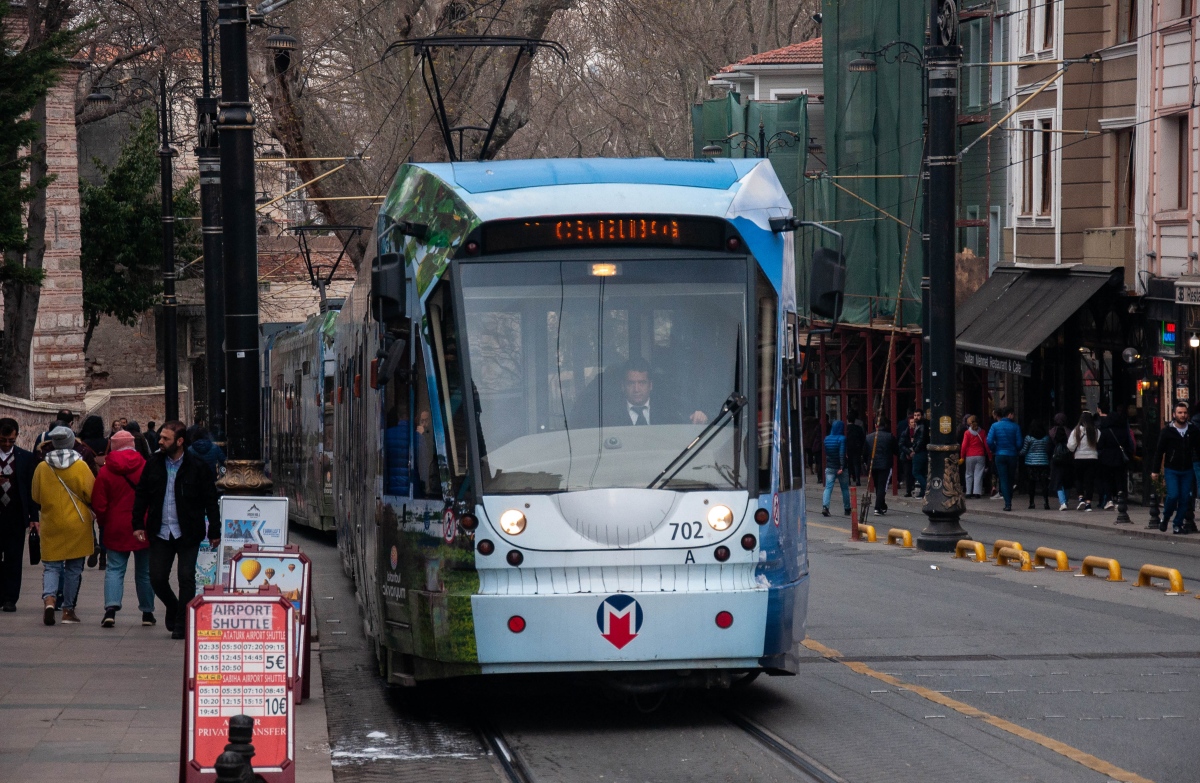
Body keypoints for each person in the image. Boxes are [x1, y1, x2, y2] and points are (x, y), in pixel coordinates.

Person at [131, 421, 221, 639]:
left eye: (166, 438)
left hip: (188, 531)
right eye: (160, 437)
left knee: (186, 577)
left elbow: (211, 499)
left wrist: (215, 531)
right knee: (157, 578)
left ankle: (182, 623)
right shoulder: (153, 463)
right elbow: (142, 495)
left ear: (180, 442)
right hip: (161, 530)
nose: (160, 442)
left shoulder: (197, 466)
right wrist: (137, 524)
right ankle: (173, 606)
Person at [30, 427, 95, 625]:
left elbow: (36, 496)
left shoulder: (42, 467)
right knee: (74, 568)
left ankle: (49, 600)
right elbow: (91, 493)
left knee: (51, 566)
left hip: (52, 521)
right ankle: (68, 610)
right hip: (77, 522)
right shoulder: (80, 466)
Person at [92, 430, 155, 628]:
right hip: (142, 525)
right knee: (144, 572)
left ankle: (111, 609)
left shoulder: (105, 470)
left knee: (114, 569)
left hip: (115, 525)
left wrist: (103, 522)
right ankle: (147, 612)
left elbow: (99, 503)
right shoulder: (145, 466)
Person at [596, 359, 708, 427]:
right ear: (622, 386)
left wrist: (699, 419)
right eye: (631, 383)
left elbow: (686, 433)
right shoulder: (607, 417)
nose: (636, 389)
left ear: (650, 385)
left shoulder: (669, 411)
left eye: (642, 383)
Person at [0, 419, 38, 612]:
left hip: (15, 515)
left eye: (11, 441)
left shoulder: (25, 458)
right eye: (3, 440)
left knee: (14, 559)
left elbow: (31, 490)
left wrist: (34, 517)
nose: (7, 444)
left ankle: (10, 598)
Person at [1153, 403, 1197, 535]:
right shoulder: (1167, 432)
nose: (1183, 415)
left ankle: (1177, 524)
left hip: (1187, 469)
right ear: (1174, 415)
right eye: (1180, 413)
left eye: (1184, 413)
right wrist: (1155, 470)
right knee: (1173, 495)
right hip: (1171, 469)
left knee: (1184, 498)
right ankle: (1165, 517)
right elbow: (1159, 451)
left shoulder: (1192, 430)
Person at [987, 406, 1022, 511]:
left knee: (1003, 479)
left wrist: (994, 449)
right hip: (1012, 455)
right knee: (1011, 478)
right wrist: (1015, 449)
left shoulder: (994, 426)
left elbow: (989, 441)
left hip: (1000, 454)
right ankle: (1009, 498)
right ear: (1009, 414)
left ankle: (1008, 503)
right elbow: (1019, 443)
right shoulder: (1015, 427)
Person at [1096, 412, 1132, 510]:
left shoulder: (1105, 431)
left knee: (1107, 479)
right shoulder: (1124, 431)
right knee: (1119, 479)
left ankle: (1109, 500)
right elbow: (1128, 444)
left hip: (1106, 458)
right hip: (1120, 458)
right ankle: (1120, 499)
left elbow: (1099, 445)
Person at [864, 417, 898, 516]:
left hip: (873, 465)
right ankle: (877, 507)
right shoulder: (889, 436)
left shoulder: (868, 437)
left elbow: (865, 453)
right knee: (882, 486)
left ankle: (881, 505)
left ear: (875, 425)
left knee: (877, 485)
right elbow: (896, 450)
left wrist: (866, 463)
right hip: (885, 465)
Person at [1067, 411, 1100, 511]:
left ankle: (1081, 497)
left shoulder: (1076, 431)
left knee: (1079, 479)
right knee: (1089, 481)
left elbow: (1070, 446)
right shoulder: (1096, 431)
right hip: (1092, 458)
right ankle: (1088, 504)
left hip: (1079, 458)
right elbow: (1097, 442)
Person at [1020, 420, 1052, 510]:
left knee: (1031, 483)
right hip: (1043, 462)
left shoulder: (1028, 438)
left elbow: (1024, 450)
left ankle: (1031, 502)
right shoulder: (1046, 438)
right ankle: (1046, 502)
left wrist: (1018, 453)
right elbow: (1047, 449)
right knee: (1044, 484)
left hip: (1031, 463)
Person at [821, 420, 851, 516]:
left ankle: (825, 506)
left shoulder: (826, 439)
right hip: (840, 467)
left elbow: (827, 453)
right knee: (844, 488)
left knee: (828, 487)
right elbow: (842, 453)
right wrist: (842, 466)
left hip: (830, 466)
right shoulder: (842, 439)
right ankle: (847, 508)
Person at [959, 415, 991, 499]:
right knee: (978, 474)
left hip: (969, 456)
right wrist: (990, 456)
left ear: (969, 422)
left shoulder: (967, 433)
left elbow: (964, 446)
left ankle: (968, 492)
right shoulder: (982, 432)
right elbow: (986, 445)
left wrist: (962, 456)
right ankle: (977, 492)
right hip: (980, 455)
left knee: (969, 474)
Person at [1048, 413, 1072, 511]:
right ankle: (1065, 500)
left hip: (1056, 459)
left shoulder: (1052, 432)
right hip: (1067, 459)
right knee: (1066, 481)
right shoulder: (1069, 432)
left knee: (1058, 482)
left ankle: (1062, 502)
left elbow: (1049, 447)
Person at [844, 415, 866, 487]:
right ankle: (857, 480)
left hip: (848, 448)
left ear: (847, 420)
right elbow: (863, 438)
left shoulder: (845, 429)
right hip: (857, 448)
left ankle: (848, 480)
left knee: (848, 464)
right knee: (857, 464)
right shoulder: (858, 428)